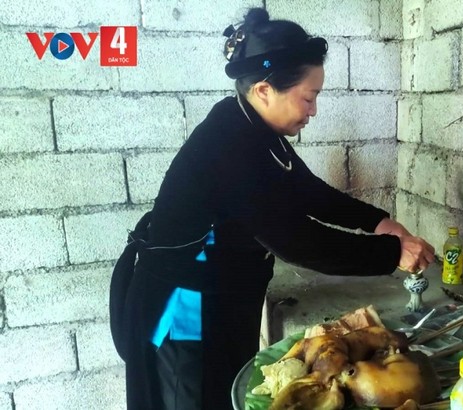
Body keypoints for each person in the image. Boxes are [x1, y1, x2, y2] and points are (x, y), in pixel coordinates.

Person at [109, 7, 435, 410]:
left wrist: (378, 221)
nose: (313, 110)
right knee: (195, 399)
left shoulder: (255, 129)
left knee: (232, 392)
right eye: (309, 97)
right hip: (186, 311)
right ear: (265, 90)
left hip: (225, 298)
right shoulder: (228, 144)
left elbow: (309, 192)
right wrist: (392, 253)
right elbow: (299, 242)